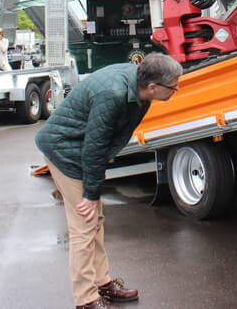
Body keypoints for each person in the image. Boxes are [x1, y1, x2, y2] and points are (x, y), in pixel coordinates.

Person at [35, 53, 182, 309]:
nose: (175, 90)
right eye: (173, 87)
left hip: (79, 148)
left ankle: (102, 282)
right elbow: (95, 148)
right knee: (84, 224)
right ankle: (86, 298)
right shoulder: (113, 95)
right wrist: (91, 194)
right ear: (152, 86)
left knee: (95, 219)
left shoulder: (137, 89)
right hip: (64, 150)